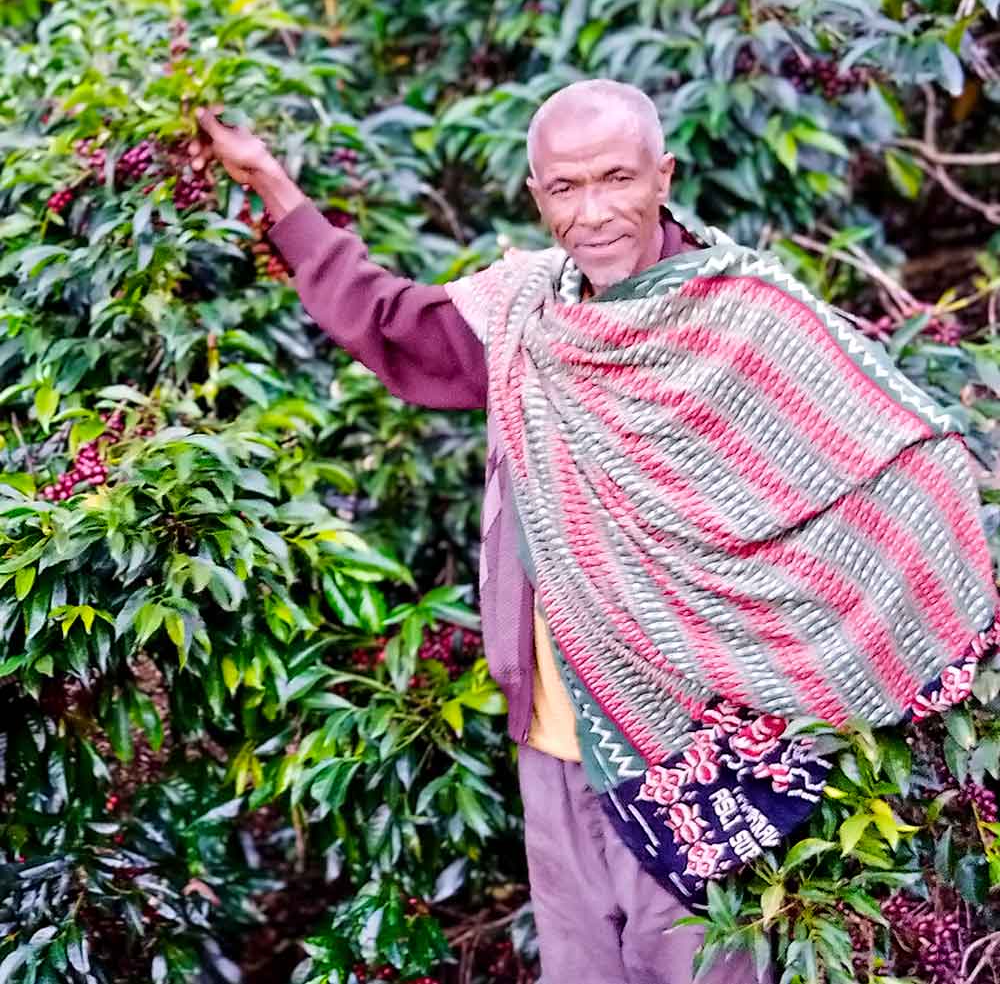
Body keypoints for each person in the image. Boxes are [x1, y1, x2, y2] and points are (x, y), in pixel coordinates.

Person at [191, 80, 1000, 984]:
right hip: (556, 741)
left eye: (617, 178)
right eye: (566, 188)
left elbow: (903, 457)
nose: (595, 211)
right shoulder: (523, 314)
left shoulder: (745, 314)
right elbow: (396, 327)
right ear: (536, 197)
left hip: (704, 753)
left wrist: (854, 653)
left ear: (665, 175)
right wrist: (274, 188)